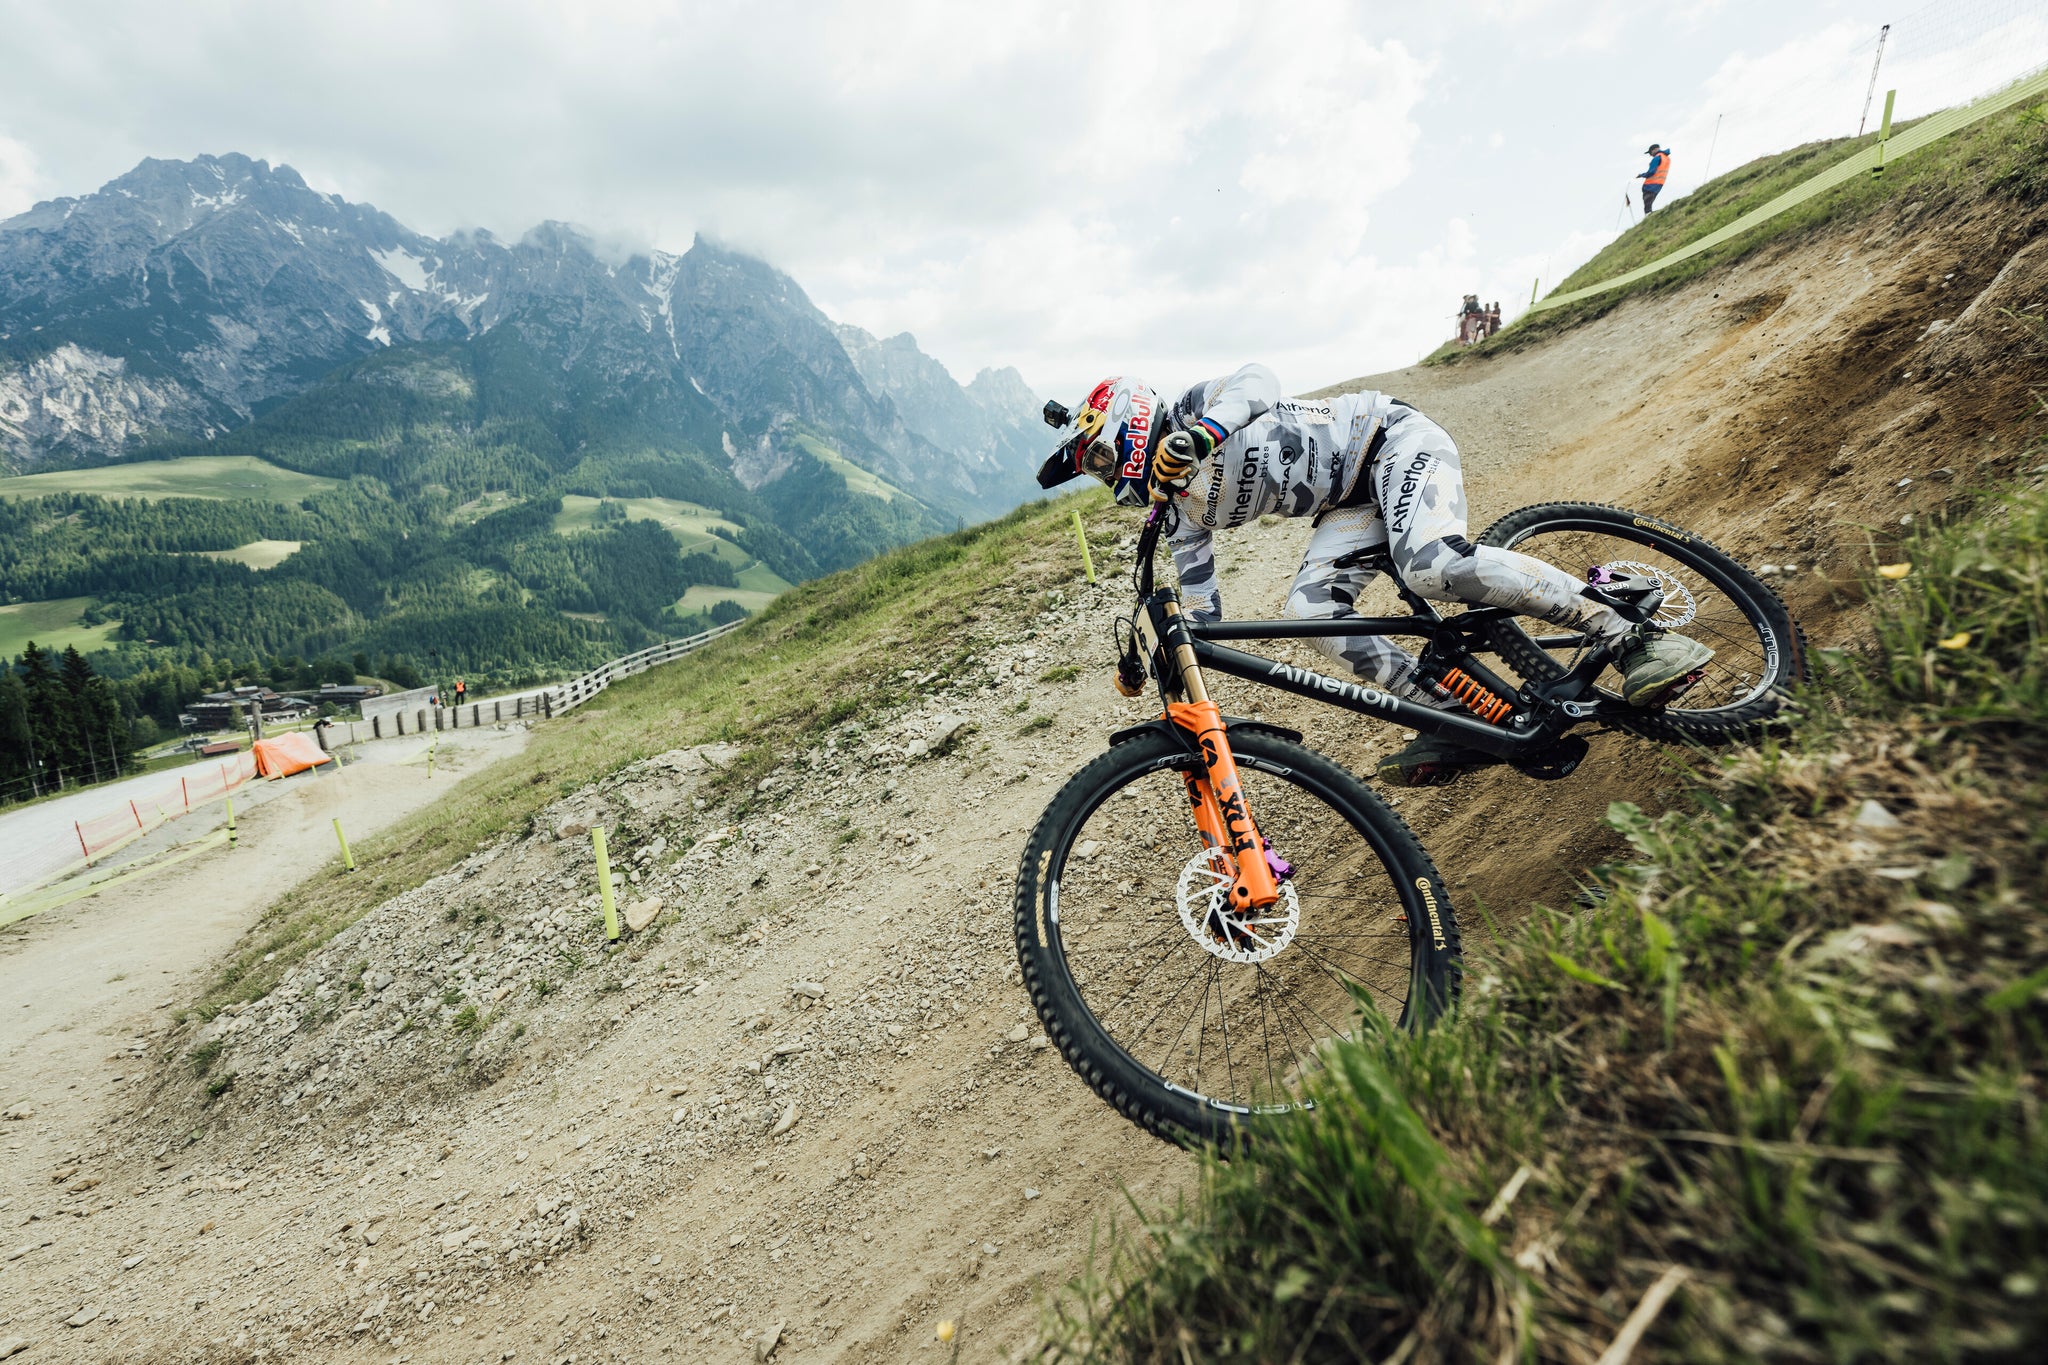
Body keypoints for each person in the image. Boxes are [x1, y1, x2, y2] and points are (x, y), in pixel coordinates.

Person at [1035, 366, 1715, 786]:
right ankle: (1456, 720)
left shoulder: (1191, 407)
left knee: (1433, 564)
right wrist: (1180, 656)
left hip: (1391, 441)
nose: (1101, 471)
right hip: (1350, 506)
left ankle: (1624, 627)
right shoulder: (1177, 511)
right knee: (1309, 616)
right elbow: (1205, 619)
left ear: (1133, 417)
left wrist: (1206, 432)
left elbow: (1260, 382)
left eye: (1099, 454)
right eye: (1091, 468)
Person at [1637, 144, 1671, 213]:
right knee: (1649, 204)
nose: (1650, 155)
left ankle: (1650, 218)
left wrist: (1641, 175)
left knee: (1647, 207)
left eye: (1650, 152)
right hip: (1659, 184)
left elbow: (1651, 172)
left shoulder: (1657, 157)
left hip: (1650, 185)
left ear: (1655, 149)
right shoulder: (1666, 158)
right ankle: (1652, 217)